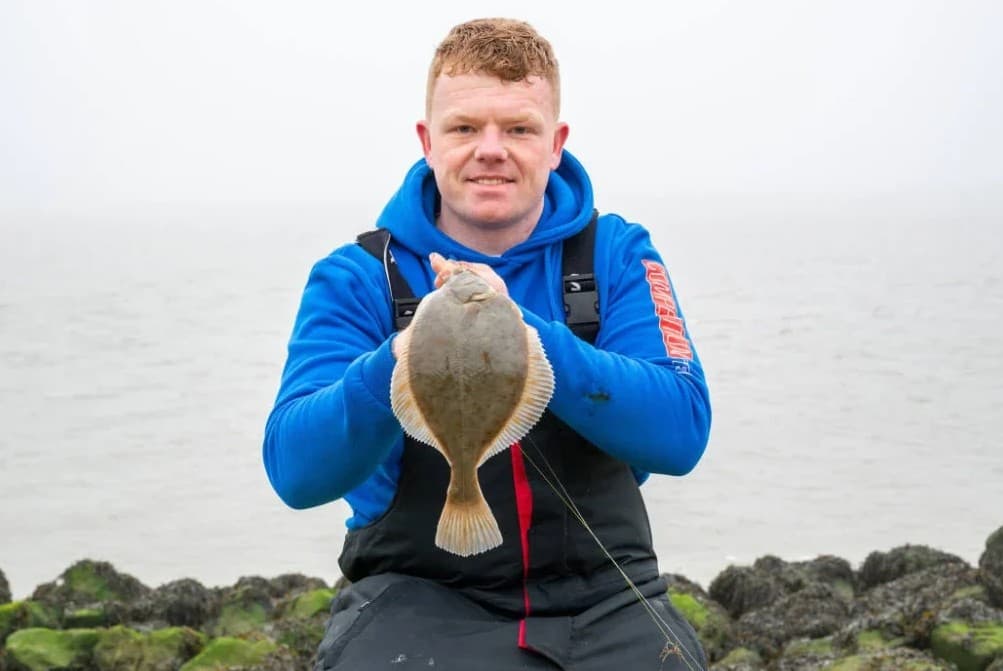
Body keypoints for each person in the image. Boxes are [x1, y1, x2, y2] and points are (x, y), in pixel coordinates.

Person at [264, 17, 712, 671]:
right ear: (427, 140)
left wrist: (527, 336)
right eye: (465, 127)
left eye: (519, 129)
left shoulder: (616, 253)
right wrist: (394, 363)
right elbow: (295, 472)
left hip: (611, 598)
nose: (491, 149)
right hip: (414, 598)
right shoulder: (357, 276)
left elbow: (680, 432)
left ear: (556, 143)